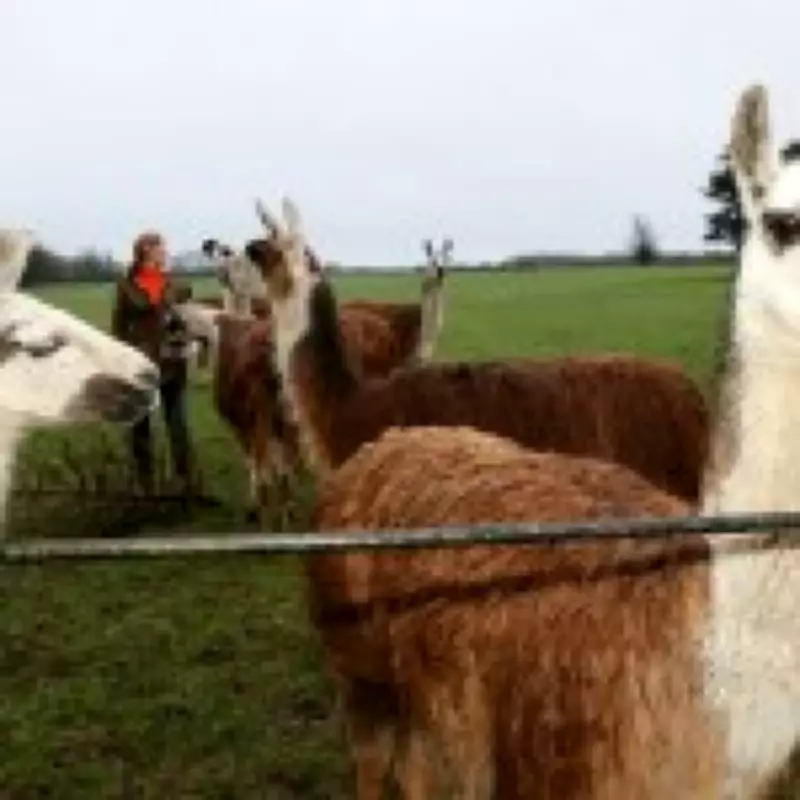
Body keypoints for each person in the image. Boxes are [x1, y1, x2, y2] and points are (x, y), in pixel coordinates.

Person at [111, 231, 194, 493]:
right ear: (145, 250)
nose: (164, 251)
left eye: (163, 247)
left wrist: (183, 334)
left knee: (177, 420)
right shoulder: (127, 284)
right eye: (160, 247)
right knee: (140, 422)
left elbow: (182, 309)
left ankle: (184, 477)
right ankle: (144, 479)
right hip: (140, 362)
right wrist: (121, 356)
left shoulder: (170, 281)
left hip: (172, 361)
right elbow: (119, 323)